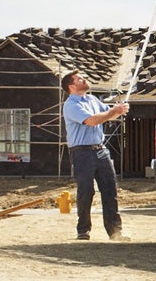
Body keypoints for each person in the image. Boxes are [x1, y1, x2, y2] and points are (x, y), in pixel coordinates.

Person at [61, 70, 130, 241]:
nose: (84, 80)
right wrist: (113, 111)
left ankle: (115, 232)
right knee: (86, 191)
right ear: (71, 86)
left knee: (110, 189)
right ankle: (83, 230)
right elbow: (92, 120)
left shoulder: (92, 99)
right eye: (80, 79)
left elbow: (107, 114)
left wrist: (118, 110)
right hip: (81, 152)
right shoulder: (71, 105)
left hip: (100, 150)